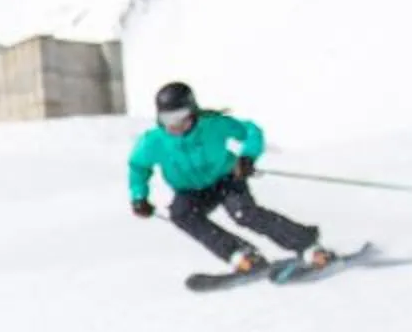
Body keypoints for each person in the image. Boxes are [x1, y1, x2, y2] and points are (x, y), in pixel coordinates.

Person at [127, 80, 331, 275]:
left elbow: (251, 131)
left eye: (180, 116)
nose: (175, 125)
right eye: (167, 119)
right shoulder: (153, 141)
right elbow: (138, 167)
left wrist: (247, 157)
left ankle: (307, 245)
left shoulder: (214, 125)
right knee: (181, 214)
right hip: (190, 190)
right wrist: (139, 197)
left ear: (192, 111)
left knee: (243, 213)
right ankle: (240, 254)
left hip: (226, 179)